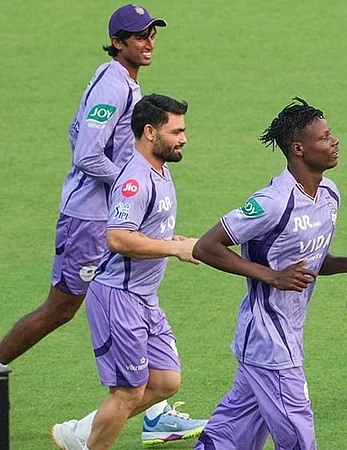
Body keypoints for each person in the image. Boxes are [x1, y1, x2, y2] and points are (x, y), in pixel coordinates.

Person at [39, 7, 204, 449]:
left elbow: (76, 130)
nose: (184, 138)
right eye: (176, 131)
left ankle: (82, 431)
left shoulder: (157, 167)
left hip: (143, 296)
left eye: (152, 33)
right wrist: (169, 243)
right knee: (125, 387)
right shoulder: (134, 175)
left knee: (165, 381)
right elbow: (115, 234)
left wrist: (174, 240)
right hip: (118, 289)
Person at [191, 97, 347, 450]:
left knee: (230, 435)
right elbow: (206, 246)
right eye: (324, 138)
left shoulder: (329, 195)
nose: (335, 142)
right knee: (298, 437)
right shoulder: (273, 202)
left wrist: (346, 263)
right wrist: (270, 276)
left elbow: (309, 261)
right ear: (298, 149)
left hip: (282, 335)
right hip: (270, 338)